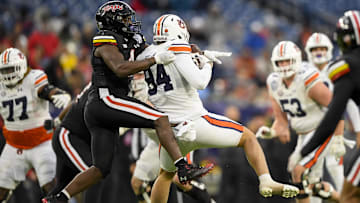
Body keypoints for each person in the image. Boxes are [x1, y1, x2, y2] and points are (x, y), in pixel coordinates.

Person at [42, 2, 212, 202]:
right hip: (105, 101)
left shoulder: (132, 40)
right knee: (159, 118)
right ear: (112, 22)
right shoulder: (105, 41)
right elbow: (121, 68)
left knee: (100, 169)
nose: (130, 22)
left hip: (105, 109)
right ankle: (183, 167)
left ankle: (58, 198)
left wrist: (185, 50)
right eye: (125, 19)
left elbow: (151, 52)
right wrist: (154, 61)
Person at [135, 14, 299, 203]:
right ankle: (266, 181)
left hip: (169, 130)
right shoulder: (177, 47)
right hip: (194, 122)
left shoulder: (145, 54)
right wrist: (208, 64)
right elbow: (200, 82)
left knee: (165, 174)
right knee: (248, 137)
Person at [263, 40, 344, 203]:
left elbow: (337, 106)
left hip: (321, 131)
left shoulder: (307, 80)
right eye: (280, 62)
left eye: (288, 61)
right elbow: (279, 114)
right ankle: (339, 197)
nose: (284, 65)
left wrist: (338, 137)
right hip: (304, 135)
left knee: (298, 170)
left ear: (297, 60)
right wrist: (276, 128)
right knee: (309, 183)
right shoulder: (273, 82)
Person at [299, 10, 360, 203]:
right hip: (311, 131)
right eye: (315, 50)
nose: (319, 54)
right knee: (309, 180)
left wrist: (353, 131)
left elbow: (341, 107)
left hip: (329, 132)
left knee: (345, 185)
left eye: (322, 50)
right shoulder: (302, 74)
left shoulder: (342, 66)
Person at [0, 47, 71, 201]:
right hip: (14, 145)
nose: (8, 74)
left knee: (52, 188)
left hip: (41, 143)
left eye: (11, 69)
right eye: (4, 70)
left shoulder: (33, 78)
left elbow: (46, 90)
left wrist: (57, 95)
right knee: (1, 190)